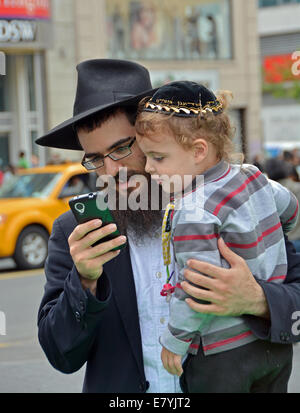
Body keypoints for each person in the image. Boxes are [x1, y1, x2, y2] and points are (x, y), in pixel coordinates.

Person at [35, 59, 300, 393]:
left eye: (122, 148)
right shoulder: (76, 232)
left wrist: (257, 299)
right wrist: (84, 282)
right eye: (96, 158)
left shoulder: (232, 204)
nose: (112, 171)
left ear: (155, 135)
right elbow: (61, 355)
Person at [135, 80, 299, 392]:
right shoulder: (252, 175)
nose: (148, 168)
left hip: (222, 355)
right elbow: (290, 211)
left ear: (198, 151)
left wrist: (174, 341)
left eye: (158, 157)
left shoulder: (192, 210)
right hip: (273, 344)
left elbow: (198, 288)